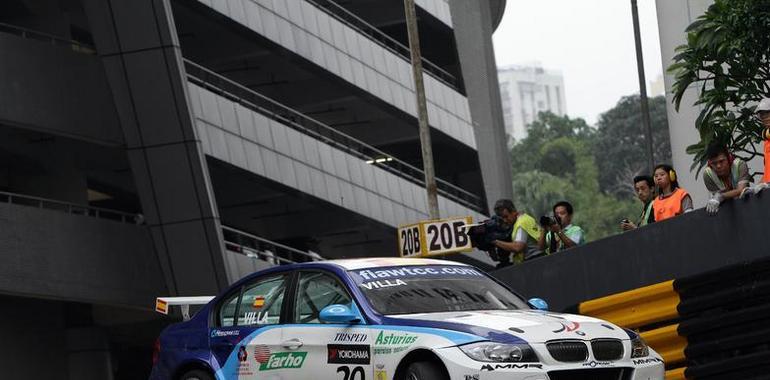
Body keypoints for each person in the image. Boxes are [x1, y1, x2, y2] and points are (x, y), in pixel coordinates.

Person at [703, 144, 753, 214]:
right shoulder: (708, 175)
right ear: (710, 163)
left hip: (747, 206)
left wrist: (721, 196)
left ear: (728, 157)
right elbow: (716, 201)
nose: (718, 166)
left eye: (721, 161)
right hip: (726, 213)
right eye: (714, 163)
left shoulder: (740, 165)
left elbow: (741, 190)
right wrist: (718, 197)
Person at [492, 199, 541, 267]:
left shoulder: (521, 223)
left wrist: (495, 241)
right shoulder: (524, 218)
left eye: (506, 216)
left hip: (535, 261)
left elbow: (518, 247)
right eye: (502, 218)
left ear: (513, 211)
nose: (505, 221)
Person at [758, 98, 770, 188]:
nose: (765, 118)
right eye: (762, 115)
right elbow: (767, 172)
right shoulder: (766, 141)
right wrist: (756, 187)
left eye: (767, 114)